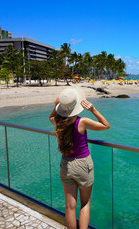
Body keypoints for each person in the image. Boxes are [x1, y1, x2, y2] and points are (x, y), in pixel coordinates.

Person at [49, 88, 110, 229]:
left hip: (66, 165)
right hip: (83, 164)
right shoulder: (82, 122)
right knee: (85, 203)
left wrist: (55, 106)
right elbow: (106, 126)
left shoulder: (58, 122)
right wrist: (93, 110)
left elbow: (51, 118)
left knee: (70, 207)